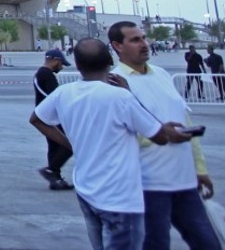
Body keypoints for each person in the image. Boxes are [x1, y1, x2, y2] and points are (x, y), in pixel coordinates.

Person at [31, 36, 189, 250]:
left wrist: (70, 144)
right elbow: (158, 136)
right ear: (109, 62)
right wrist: (130, 93)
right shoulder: (120, 97)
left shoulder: (64, 93)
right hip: (119, 196)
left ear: (77, 65)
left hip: (86, 190)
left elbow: (37, 119)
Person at [108, 22, 221, 249]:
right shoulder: (114, 83)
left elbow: (185, 121)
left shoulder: (161, 75)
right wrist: (163, 135)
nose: (144, 44)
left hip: (184, 183)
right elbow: (117, 136)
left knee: (208, 243)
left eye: (144, 38)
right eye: (135, 40)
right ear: (117, 46)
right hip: (148, 186)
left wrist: (199, 169)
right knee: (156, 244)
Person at [34, 49, 74, 190]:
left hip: (44, 116)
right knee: (69, 144)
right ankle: (51, 170)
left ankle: (55, 179)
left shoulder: (40, 73)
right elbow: (54, 96)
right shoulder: (47, 75)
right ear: (55, 60)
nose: (62, 67)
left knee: (54, 146)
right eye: (61, 63)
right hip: (52, 117)